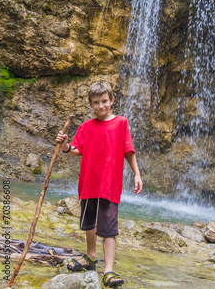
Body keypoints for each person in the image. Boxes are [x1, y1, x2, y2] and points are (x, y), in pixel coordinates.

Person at [56, 81, 143, 288]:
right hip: (88, 184)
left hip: (109, 186)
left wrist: (137, 174)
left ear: (112, 100)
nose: (101, 105)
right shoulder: (86, 126)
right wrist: (65, 145)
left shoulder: (121, 123)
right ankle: (91, 257)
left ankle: (109, 270)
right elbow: (77, 150)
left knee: (109, 228)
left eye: (104, 101)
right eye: (96, 102)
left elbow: (128, 151)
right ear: (91, 104)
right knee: (89, 224)